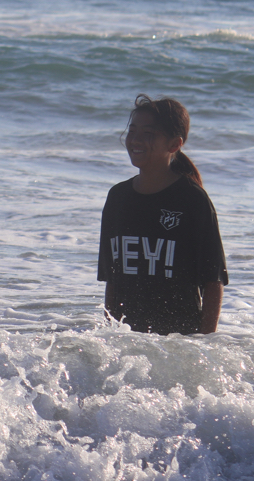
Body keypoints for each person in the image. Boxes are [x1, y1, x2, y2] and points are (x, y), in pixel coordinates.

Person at [97, 94, 228, 335]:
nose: (135, 139)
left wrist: (204, 343)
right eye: (132, 131)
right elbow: (112, 280)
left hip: (178, 342)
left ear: (174, 144)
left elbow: (213, 280)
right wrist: (110, 334)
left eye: (148, 133)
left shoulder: (192, 200)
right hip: (127, 340)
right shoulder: (117, 198)